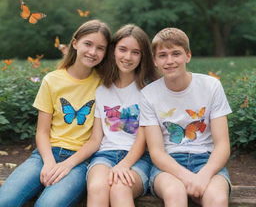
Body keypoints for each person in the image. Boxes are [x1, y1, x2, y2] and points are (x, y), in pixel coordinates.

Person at [0, 19, 111, 207]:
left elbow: (95, 140)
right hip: (45, 154)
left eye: (100, 48)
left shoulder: (104, 85)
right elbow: (42, 132)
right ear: (75, 43)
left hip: (80, 161)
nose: (93, 52)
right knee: (5, 200)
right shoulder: (52, 80)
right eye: (88, 44)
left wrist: (66, 165)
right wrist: (49, 162)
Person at [139, 28, 232, 207]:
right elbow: (157, 151)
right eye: (163, 55)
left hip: (206, 160)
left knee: (217, 198)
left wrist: (204, 175)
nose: (170, 61)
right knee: (175, 194)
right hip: (168, 164)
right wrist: (188, 178)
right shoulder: (148, 94)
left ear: (188, 56)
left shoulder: (211, 86)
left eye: (176, 54)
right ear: (155, 61)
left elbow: (222, 144)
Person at [86, 24, 158, 207]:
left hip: (139, 158)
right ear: (113, 51)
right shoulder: (102, 90)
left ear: (143, 57)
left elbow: (144, 138)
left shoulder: (149, 90)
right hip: (105, 155)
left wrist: (125, 164)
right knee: (97, 187)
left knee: (120, 187)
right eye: (123, 50)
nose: (127, 57)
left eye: (136, 52)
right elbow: (96, 138)